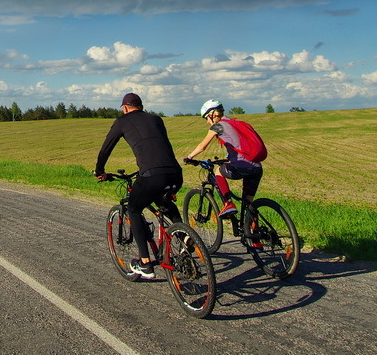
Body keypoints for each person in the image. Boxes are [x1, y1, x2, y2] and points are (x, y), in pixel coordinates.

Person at [94, 92, 182, 279]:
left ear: (125, 108)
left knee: (134, 209)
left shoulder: (122, 121)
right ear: (141, 106)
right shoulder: (156, 119)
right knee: (165, 203)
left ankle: (145, 263)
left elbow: (106, 148)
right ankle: (185, 240)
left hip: (151, 174)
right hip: (175, 173)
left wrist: (99, 170)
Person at [183, 99, 263, 219]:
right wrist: (228, 158)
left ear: (212, 114)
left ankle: (228, 203)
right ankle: (253, 232)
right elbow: (238, 145)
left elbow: (202, 147)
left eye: (206, 118)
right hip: (256, 167)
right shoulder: (234, 123)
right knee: (248, 204)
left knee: (218, 171)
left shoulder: (217, 126)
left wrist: (189, 157)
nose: (207, 122)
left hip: (242, 167)